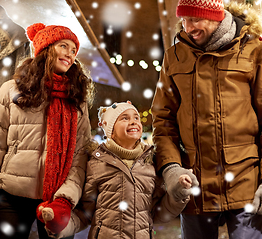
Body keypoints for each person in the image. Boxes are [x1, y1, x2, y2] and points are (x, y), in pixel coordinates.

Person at [150, 0, 262, 238]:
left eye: (195, 19)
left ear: (215, 15)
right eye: (183, 20)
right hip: (194, 186)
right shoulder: (174, 56)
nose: (188, 27)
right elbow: (163, 121)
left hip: (245, 182)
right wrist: (171, 168)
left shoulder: (256, 50)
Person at [0, 23, 95, 239]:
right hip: (12, 198)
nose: (70, 55)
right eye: (64, 46)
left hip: (56, 202)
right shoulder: (11, 89)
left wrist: (65, 200)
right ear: (46, 48)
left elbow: (79, 159)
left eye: (74, 50)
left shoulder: (77, 98)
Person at [51, 101, 191, 239]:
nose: (133, 121)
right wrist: (62, 227)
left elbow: (159, 212)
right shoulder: (96, 164)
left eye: (136, 118)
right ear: (111, 132)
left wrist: (179, 193)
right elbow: (85, 213)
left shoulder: (151, 164)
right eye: (125, 118)